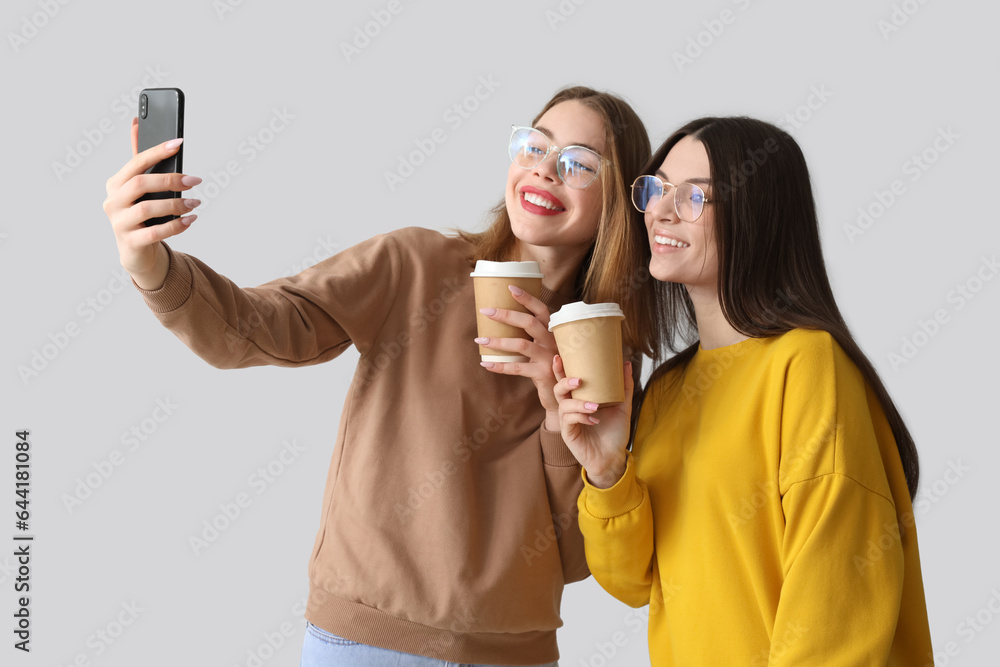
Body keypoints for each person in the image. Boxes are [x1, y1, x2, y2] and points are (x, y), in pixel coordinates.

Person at [102, 86, 657, 666]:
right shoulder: (414, 265)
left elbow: (572, 559)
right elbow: (253, 328)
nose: (544, 169)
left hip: (514, 654)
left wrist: (553, 407)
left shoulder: (601, 350)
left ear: (618, 201)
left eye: (577, 164)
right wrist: (150, 264)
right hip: (365, 643)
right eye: (534, 146)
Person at [551, 116, 933, 665]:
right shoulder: (665, 391)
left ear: (758, 217)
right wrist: (608, 471)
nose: (659, 209)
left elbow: (835, 617)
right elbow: (632, 581)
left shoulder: (807, 365)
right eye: (656, 189)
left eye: (694, 196)